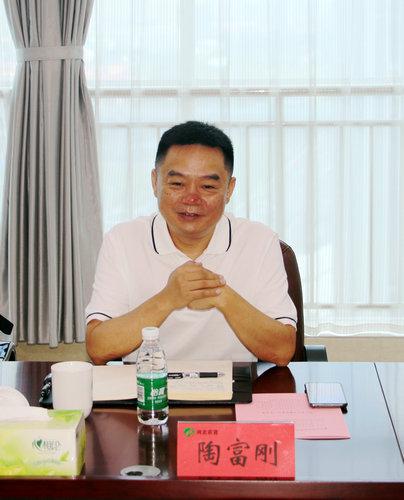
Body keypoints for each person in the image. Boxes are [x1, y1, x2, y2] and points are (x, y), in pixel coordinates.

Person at [86, 121, 296, 366]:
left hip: (234, 385)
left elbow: (283, 350)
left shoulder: (259, 241)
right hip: (148, 384)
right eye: (177, 184)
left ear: (229, 189)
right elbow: (98, 347)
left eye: (208, 186)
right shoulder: (122, 241)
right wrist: (169, 298)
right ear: (155, 182)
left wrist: (221, 295)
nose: (191, 198)